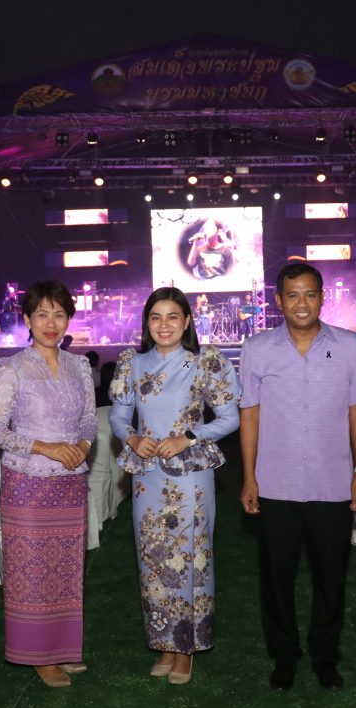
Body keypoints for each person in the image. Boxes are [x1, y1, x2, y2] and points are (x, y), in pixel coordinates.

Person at [239, 262, 356, 691]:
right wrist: (249, 477)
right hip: (275, 483)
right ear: (278, 300)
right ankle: (284, 656)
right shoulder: (257, 348)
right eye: (292, 295)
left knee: (330, 576)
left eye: (310, 294)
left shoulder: (351, 346)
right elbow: (250, 415)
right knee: (276, 577)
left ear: (322, 297)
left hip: (331, 482)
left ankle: (325, 655)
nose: (302, 303)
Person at [109, 287, 241, 685]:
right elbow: (118, 416)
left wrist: (188, 436)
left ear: (186, 321)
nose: (164, 325)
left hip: (191, 477)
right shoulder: (131, 362)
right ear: (147, 323)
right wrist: (131, 438)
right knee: (152, 559)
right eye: (155, 317)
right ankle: (164, 643)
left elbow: (230, 417)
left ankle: (186, 648)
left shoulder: (206, 361)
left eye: (172, 317)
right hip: (147, 476)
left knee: (191, 557)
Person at [0, 280, 97, 688]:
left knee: (66, 569)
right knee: (30, 571)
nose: (51, 323)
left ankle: (63, 648)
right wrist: (45, 448)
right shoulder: (10, 367)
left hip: (70, 480)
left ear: (69, 318)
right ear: (28, 319)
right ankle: (37, 655)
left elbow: (87, 419)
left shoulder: (79, 366)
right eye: (42, 314)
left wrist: (83, 445)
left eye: (59, 314)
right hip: (27, 482)